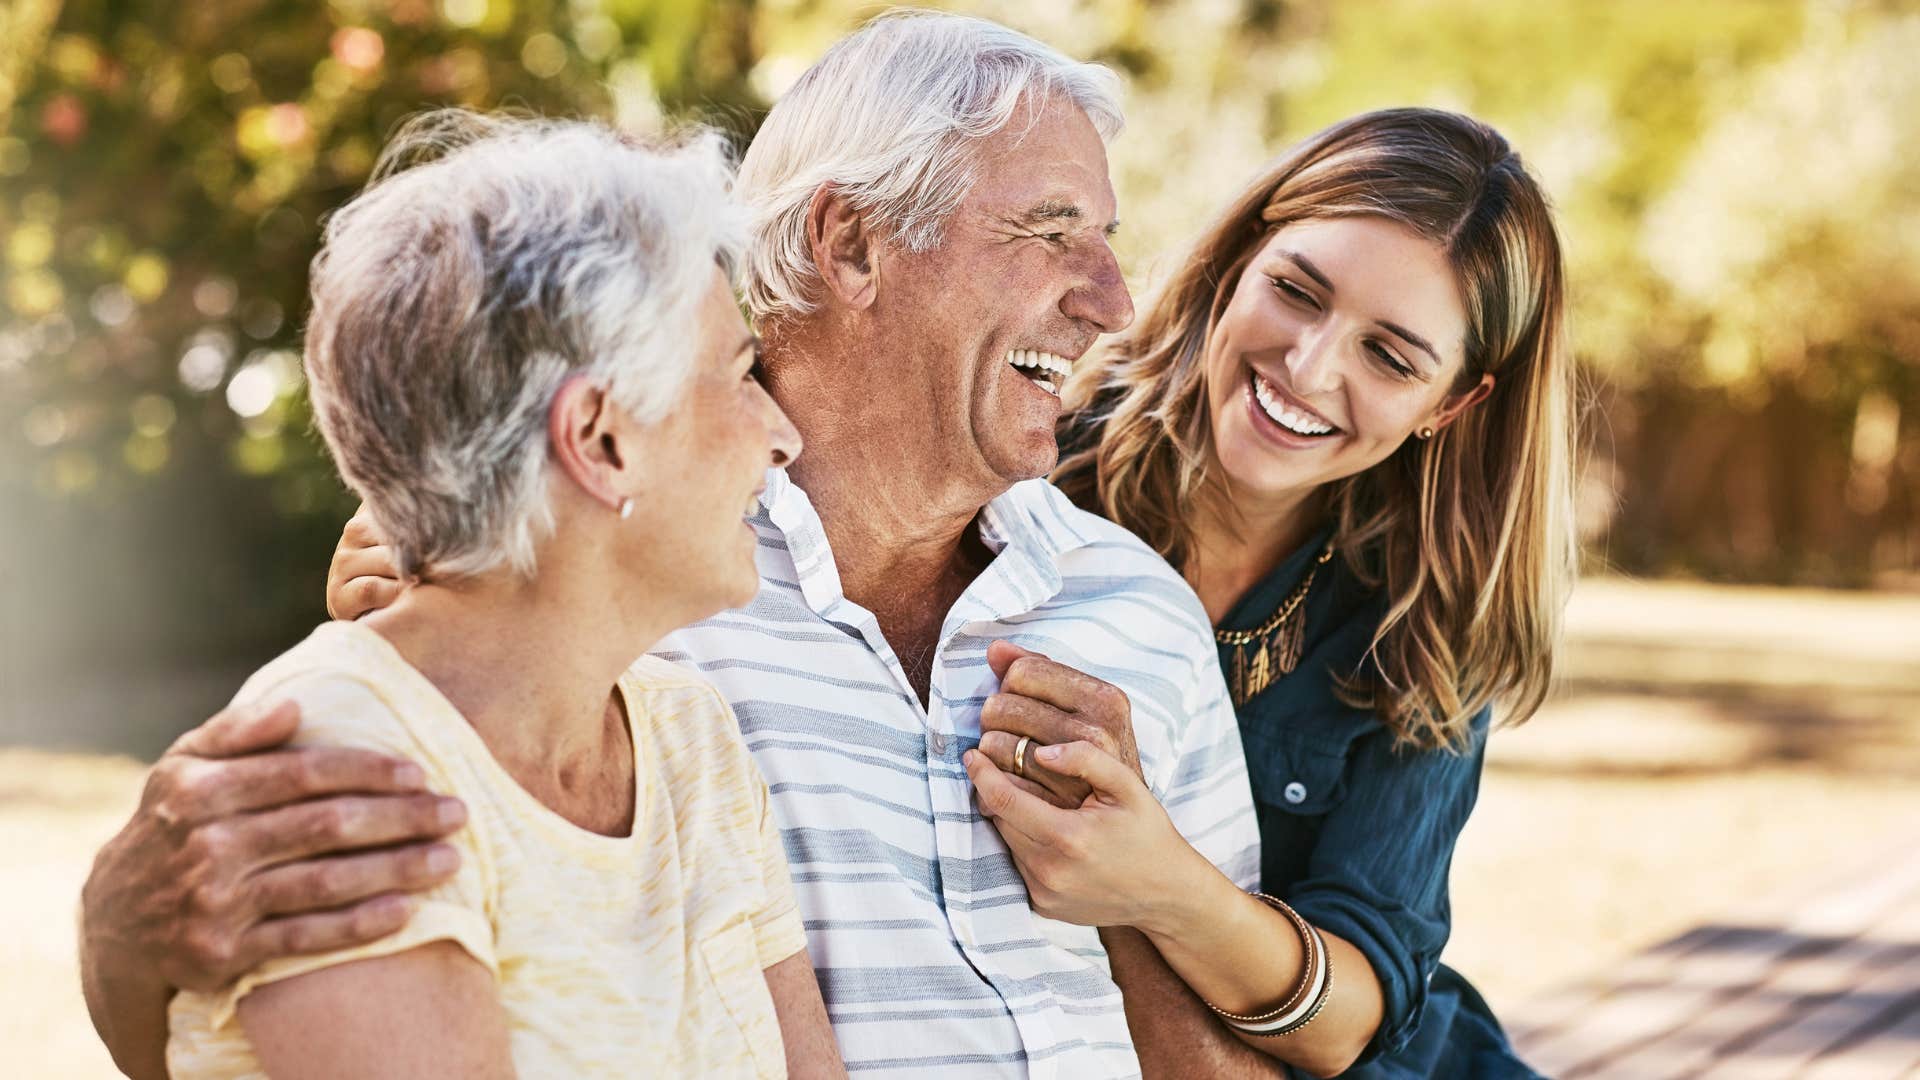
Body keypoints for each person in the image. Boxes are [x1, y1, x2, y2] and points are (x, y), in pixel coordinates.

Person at [80, 13, 1275, 1078]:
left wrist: (1147, 890)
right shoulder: (552, 629)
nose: (1116, 301)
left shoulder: (690, 732)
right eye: (1051, 229)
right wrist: (120, 936)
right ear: (852, 243)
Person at [98, 111, 847, 1078]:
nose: (781, 435)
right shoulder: (341, 766)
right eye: (743, 375)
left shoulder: (685, 733)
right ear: (601, 440)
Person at [964, 108, 1575, 1077]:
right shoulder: (1033, 462)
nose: (1310, 365)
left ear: (1450, 405)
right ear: (1241, 258)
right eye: (1297, 291)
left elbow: (1354, 1018)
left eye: (1390, 356)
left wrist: (1160, 885)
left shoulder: (1426, 615)